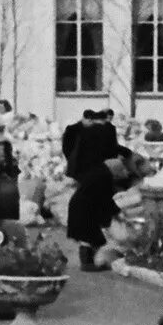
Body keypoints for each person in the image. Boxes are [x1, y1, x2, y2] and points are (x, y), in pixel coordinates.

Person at [64, 109, 125, 268]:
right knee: (93, 236)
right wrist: (115, 213)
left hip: (82, 198)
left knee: (90, 237)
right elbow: (105, 199)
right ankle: (89, 262)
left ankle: (88, 261)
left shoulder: (83, 131)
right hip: (87, 208)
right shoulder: (108, 131)